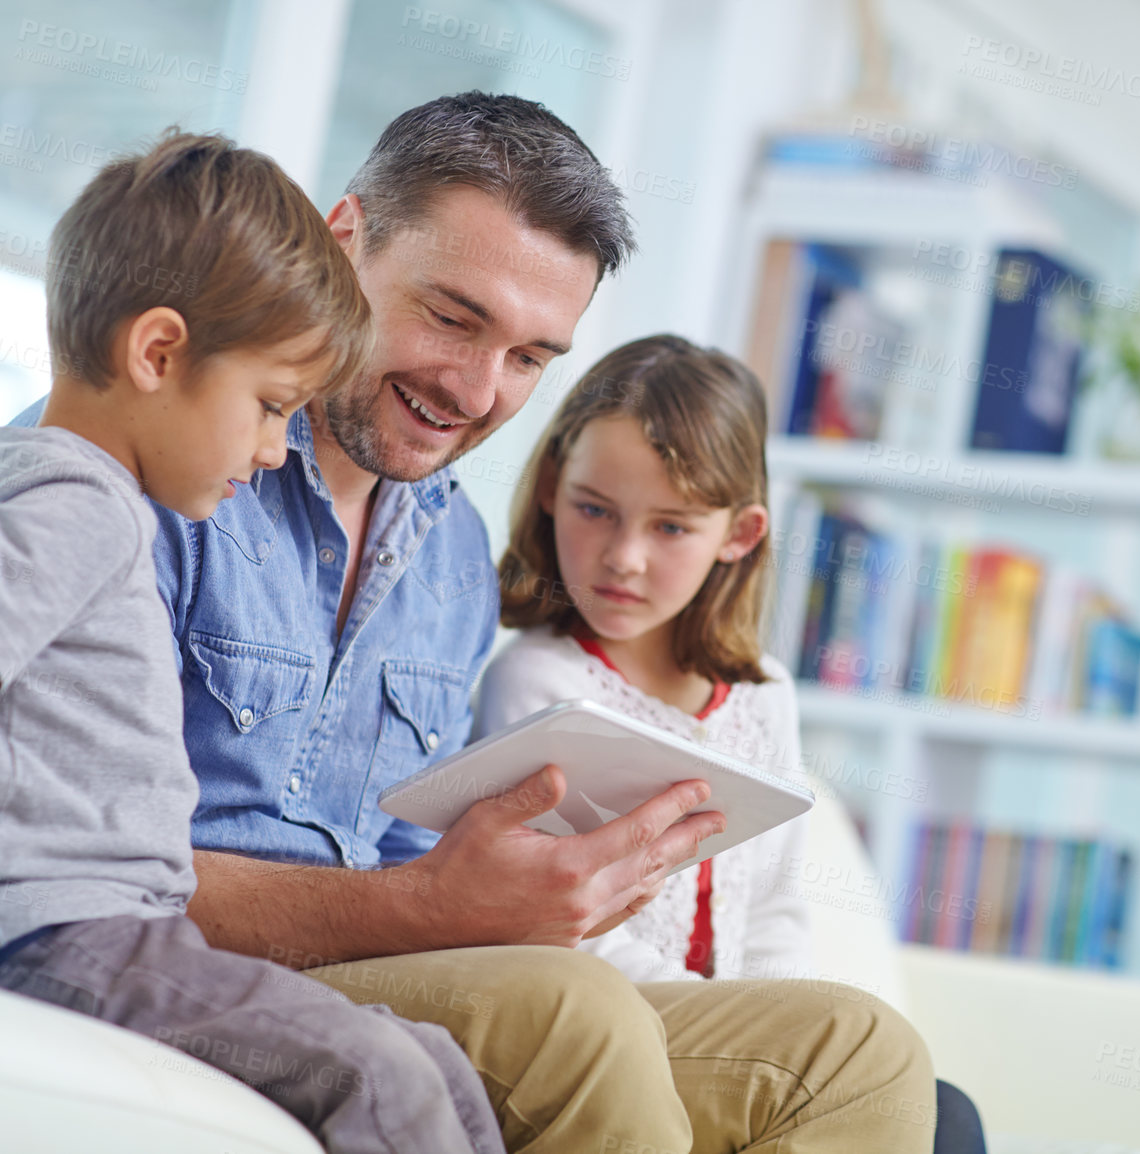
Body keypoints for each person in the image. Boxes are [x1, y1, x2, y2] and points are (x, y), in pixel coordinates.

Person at [16, 92, 936, 1152]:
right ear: (343, 239)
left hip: (387, 966)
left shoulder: (452, 552)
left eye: (531, 357)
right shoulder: (135, 473)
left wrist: (502, 888)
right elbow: (78, 856)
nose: (475, 389)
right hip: (188, 960)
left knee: (854, 1049)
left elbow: (411, 852)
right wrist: (426, 905)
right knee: (571, 1015)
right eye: (452, 317)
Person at [0, 132, 504, 1154]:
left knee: (433, 1061)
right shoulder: (72, 499)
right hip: (62, 934)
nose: (278, 447)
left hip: (125, 931)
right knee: (382, 1072)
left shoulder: (103, 503)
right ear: (157, 352)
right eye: (270, 407)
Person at [476, 334, 989, 1154]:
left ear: (739, 534)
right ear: (548, 489)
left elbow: (778, 909)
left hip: (736, 1034)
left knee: (945, 1113)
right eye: (593, 508)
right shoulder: (537, 682)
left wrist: (778, 1020)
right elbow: (563, 922)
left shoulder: (764, 695)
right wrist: (752, 1033)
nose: (623, 557)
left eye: (672, 527)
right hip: (615, 1030)